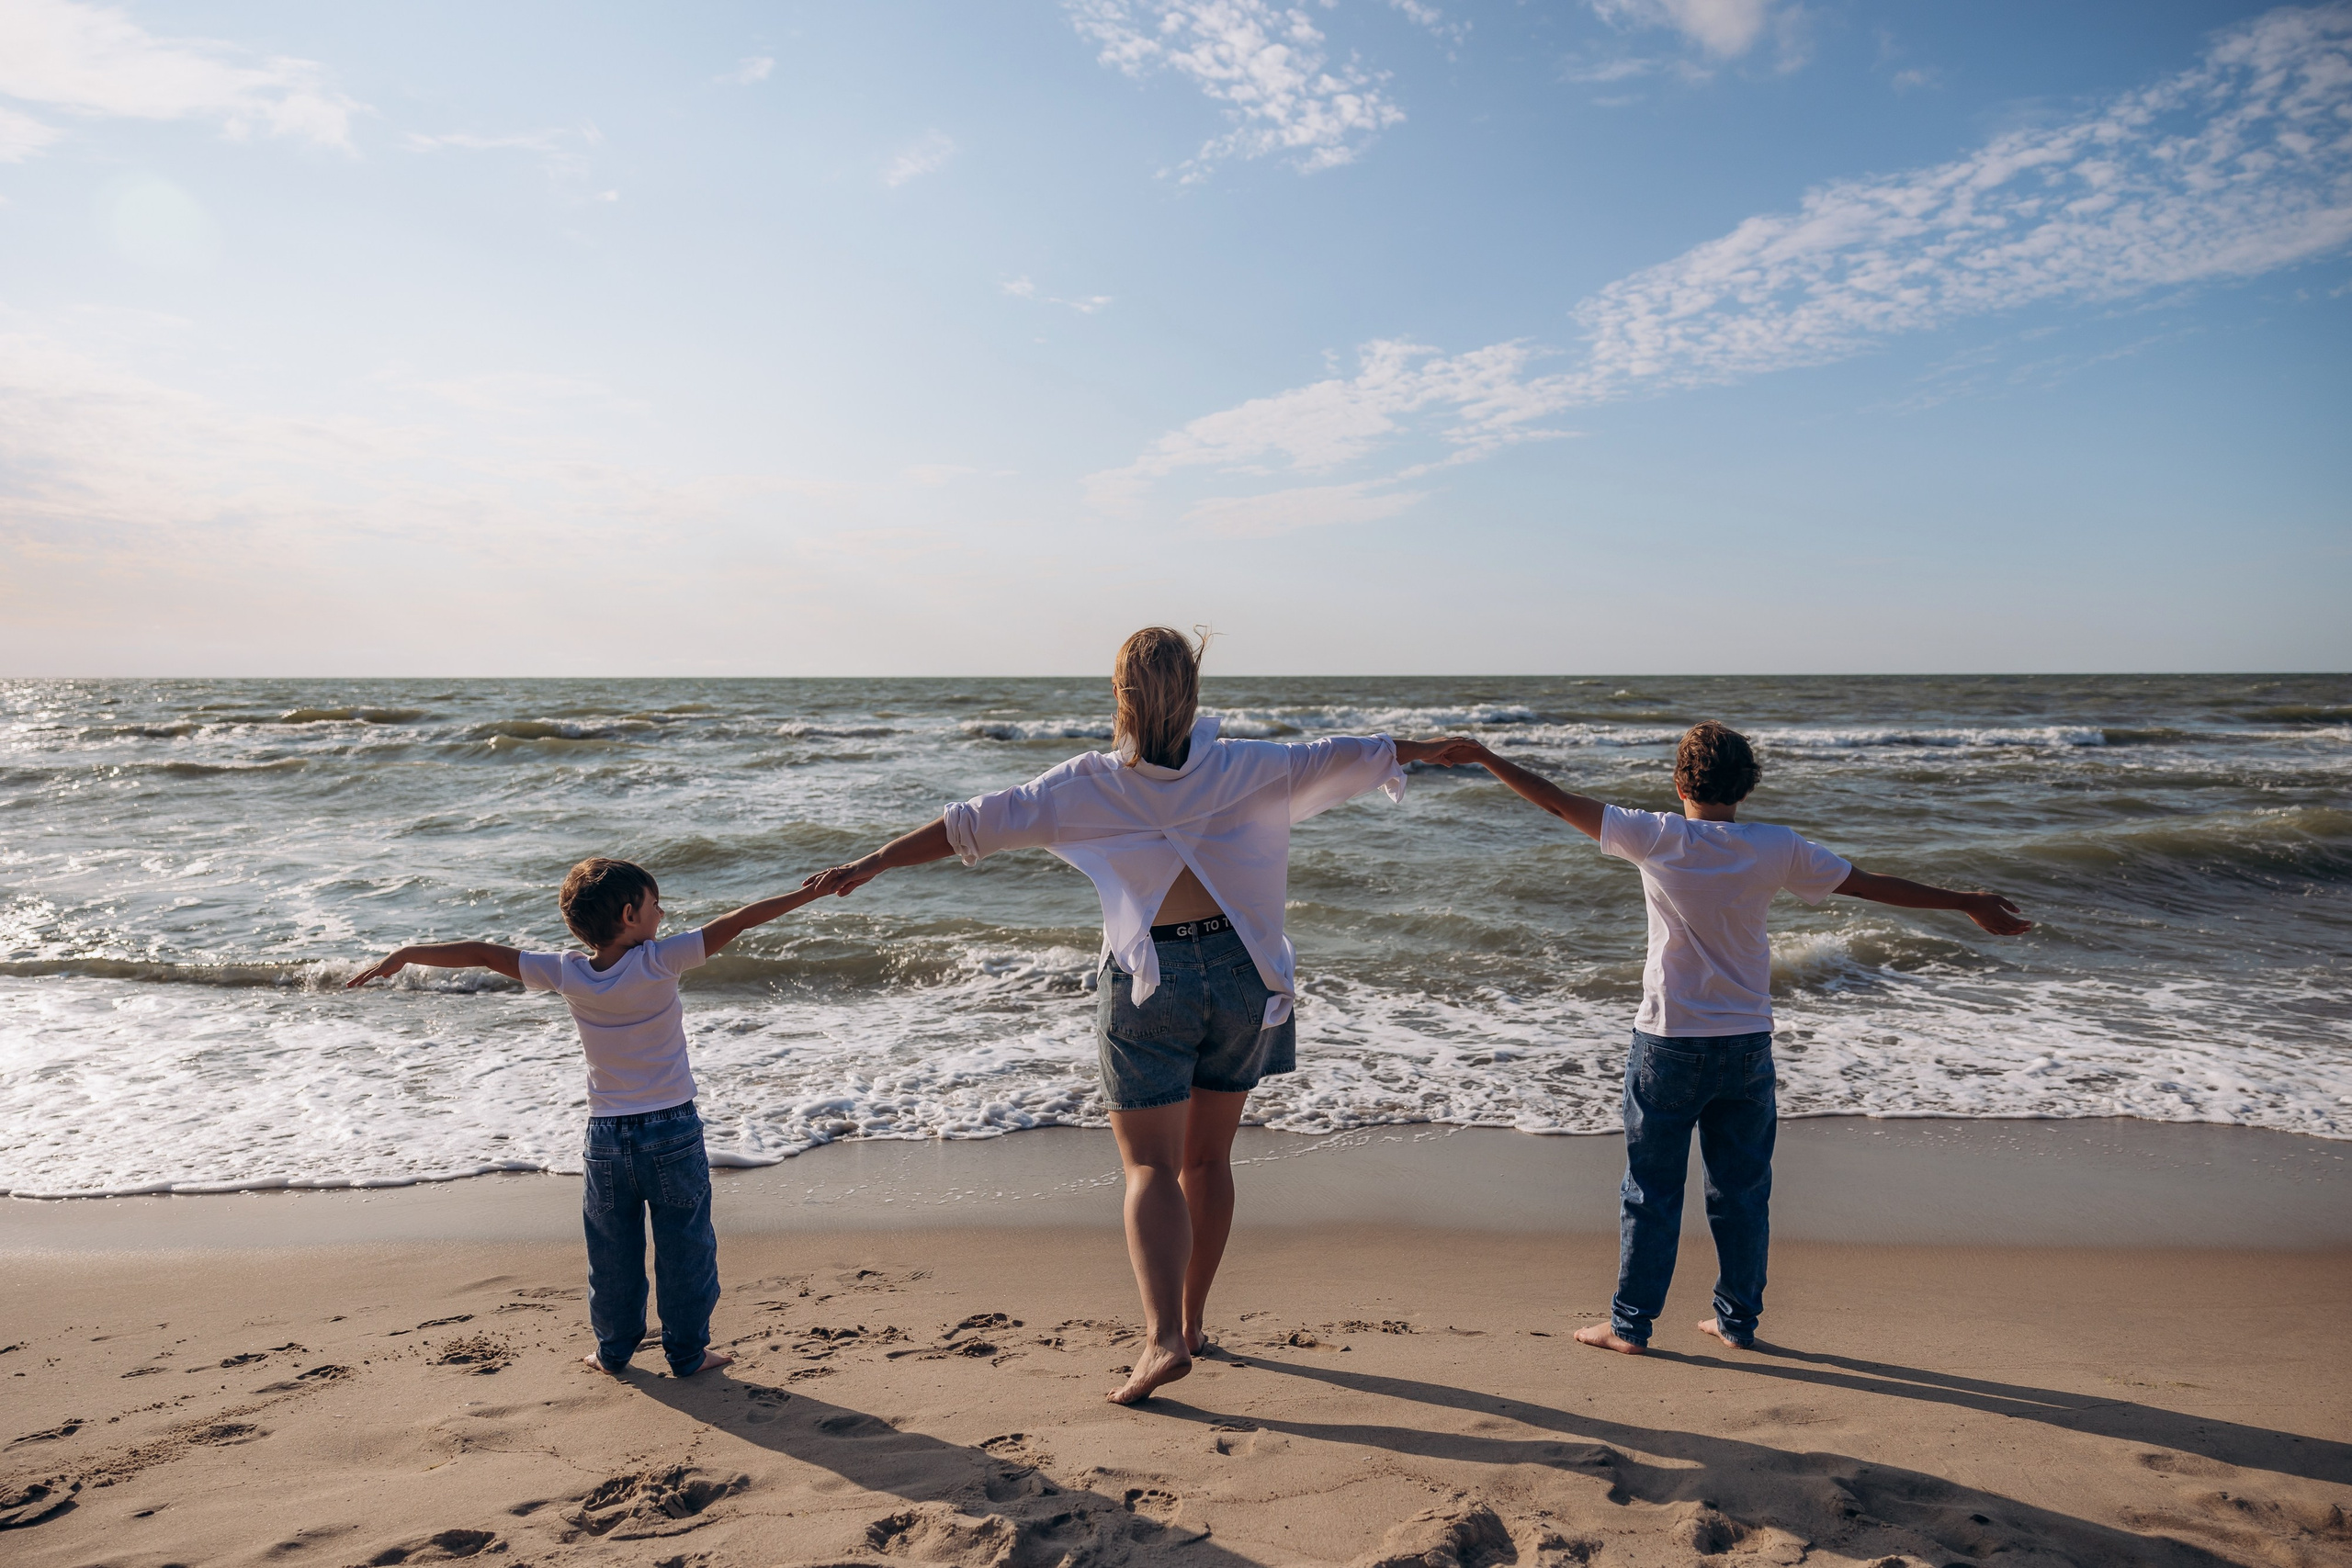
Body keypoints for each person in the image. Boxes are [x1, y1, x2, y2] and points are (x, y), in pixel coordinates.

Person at [813, 627, 1464, 1404]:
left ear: (1120, 696)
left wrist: (872, 862)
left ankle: (1160, 1341)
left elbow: (971, 823)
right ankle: (1190, 1324)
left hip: (1152, 980)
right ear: (1193, 690)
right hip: (1246, 975)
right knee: (1209, 1161)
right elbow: (1362, 751)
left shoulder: (1085, 785)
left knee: (1152, 1166)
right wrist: (1446, 748)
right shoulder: (1254, 763)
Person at [1435, 721, 2030, 1355]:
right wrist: (1967, 900)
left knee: (1650, 1190)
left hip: (1667, 1041)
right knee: (1742, 1190)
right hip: (1746, 1043)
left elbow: (1555, 798)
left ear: (1678, 780)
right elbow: (1869, 884)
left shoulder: (1658, 834)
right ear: (1747, 783)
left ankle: (1630, 1325)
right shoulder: (1776, 846)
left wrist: (1484, 754)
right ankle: (1736, 1321)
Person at [346, 857, 838, 1379]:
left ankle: (613, 1353)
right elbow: (739, 921)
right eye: (654, 904)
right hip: (671, 1130)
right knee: (686, 1245)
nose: (663, 912)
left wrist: (406, 954)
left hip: (605, 1139)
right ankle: (688, 1355)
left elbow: (484, 954)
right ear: (630, 914)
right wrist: (809, 894)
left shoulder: (567, 971)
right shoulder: (660, 960)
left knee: (611, 1252)